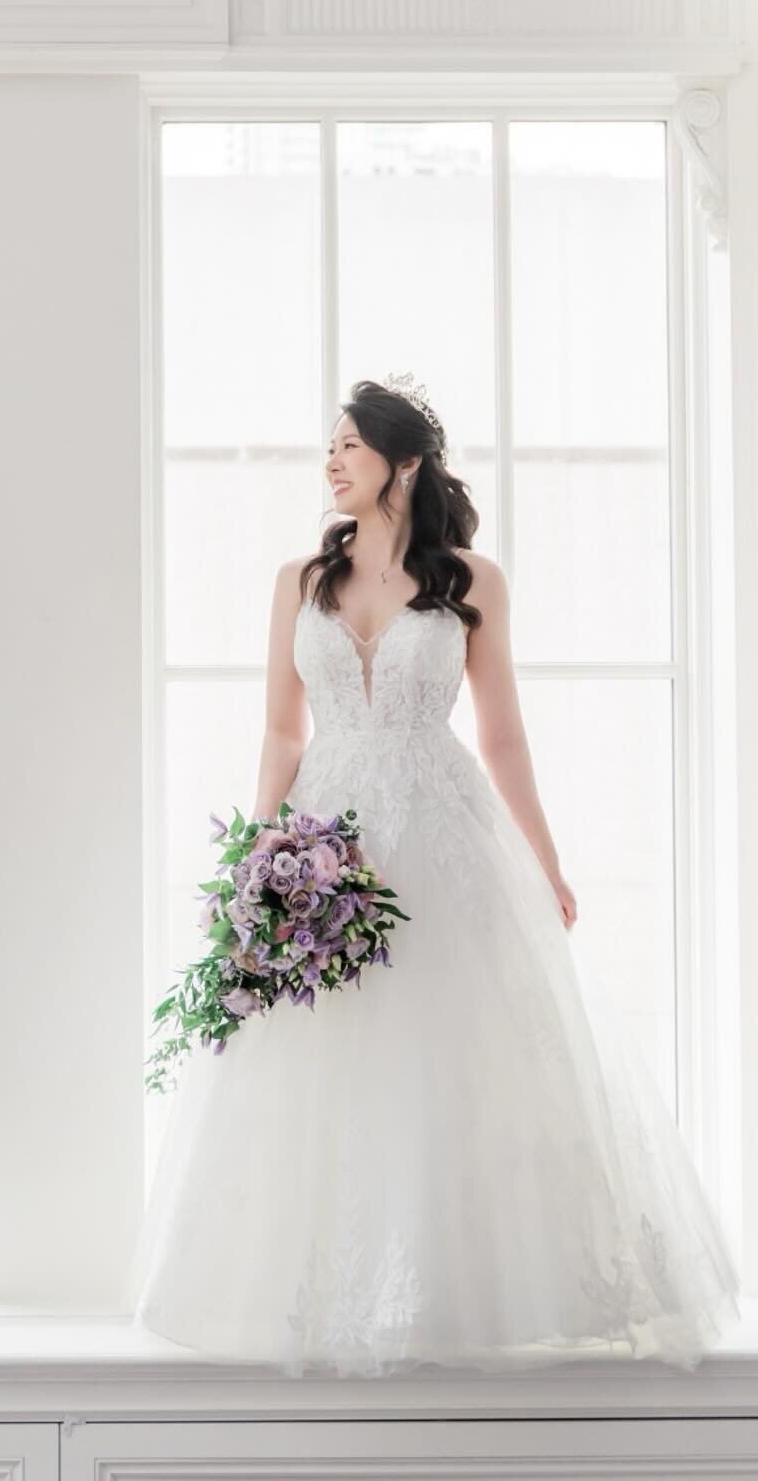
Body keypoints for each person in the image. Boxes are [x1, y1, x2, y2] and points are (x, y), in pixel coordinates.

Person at [128, 375, 742, 1374]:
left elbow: (501, 737)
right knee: (325, 1052)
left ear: (400, 464)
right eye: (329, 448)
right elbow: (282, 732)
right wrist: (258, 860)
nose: (329, 463)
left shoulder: (471, 581)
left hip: (443, 832)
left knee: (452, 1051)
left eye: (348, 448)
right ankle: (327, 1292)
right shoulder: (300, 580)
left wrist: (545, 862)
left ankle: (457, 1294)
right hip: (327, 831)